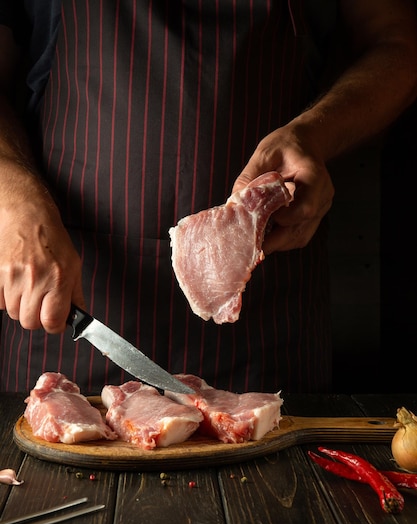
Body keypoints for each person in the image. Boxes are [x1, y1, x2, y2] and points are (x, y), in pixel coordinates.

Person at [0, 1, 417, 395]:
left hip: (264, 327)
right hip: (68, 310)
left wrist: (315, 134)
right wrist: (13, 196)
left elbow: (398, 46)